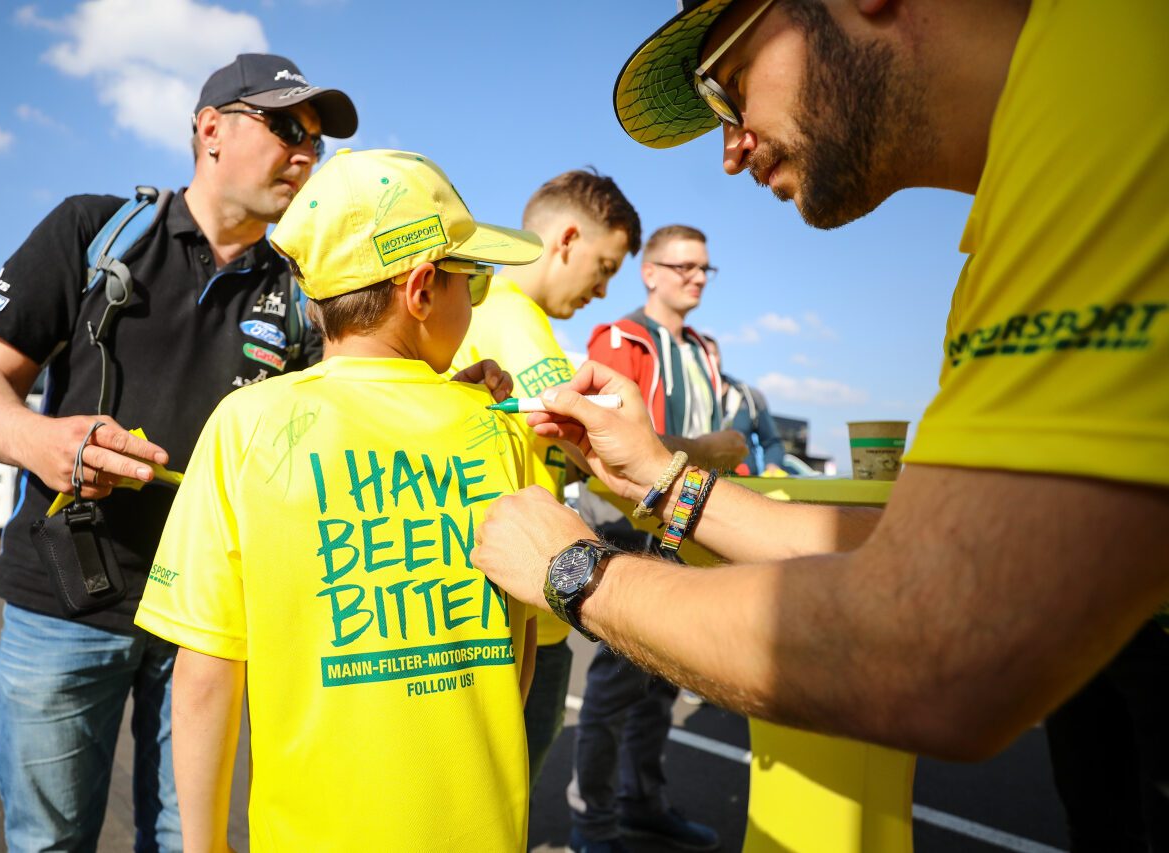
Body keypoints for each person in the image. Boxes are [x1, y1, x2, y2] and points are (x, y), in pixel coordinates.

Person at [471, 0, 1168, 807]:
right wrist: (665, 478)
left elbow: (935, 643)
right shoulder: (1057, 145)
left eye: (729, 87)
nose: (730, 152)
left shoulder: (1106, 109)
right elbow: (928, 555)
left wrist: (573, 570)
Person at [0, 53, 357, 850]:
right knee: (49, 840)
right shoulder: (94, 231)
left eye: (317, 139)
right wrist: (44, 441)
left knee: (186, 837)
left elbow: (357, 408)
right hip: (69, 601)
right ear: (210, 128)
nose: (306, 153)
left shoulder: (304, 293)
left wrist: (451, 381)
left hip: (208, 617)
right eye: (286, 127)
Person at [134, 148, 544, 851]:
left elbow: (205, 672)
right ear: (420, 290)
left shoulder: (244, 426)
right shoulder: (497, 429)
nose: (474, 303)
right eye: (469, 282)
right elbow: (521, 647)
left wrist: (202, 845)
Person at [451, 168, 643, 792]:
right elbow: (598, 447)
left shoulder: (478, 312)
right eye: (604, 266)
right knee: (501, 810)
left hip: (493, 597)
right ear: (565, 240)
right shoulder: (514, 316)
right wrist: (702, 459)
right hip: (526, 609)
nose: (603, 289)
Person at [561, 224, 746, 853]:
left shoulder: (704, 348)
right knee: (615, 687)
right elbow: (605, 448)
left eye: (704, 268)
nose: (696, 276)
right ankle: (593, 825)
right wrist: (707, 451)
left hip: (684, 525)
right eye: (684, 265)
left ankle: (642, 804)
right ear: (650, 271)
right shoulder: (618, 339)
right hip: (628, 526)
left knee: (662, 681)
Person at [702, 334, 785, 476]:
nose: (710, 360)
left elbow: (772, 443)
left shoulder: (748, 397)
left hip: (744, 485)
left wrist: (772, 466)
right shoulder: (681, 400)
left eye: (713, 354)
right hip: (697, 485)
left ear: (720, 357)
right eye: (704, 356)